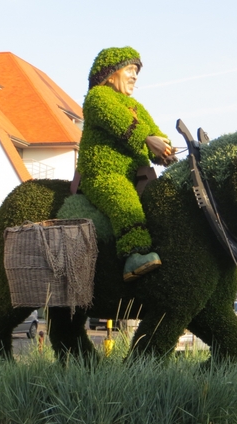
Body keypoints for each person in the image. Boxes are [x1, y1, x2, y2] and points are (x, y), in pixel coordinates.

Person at [77, 47, 176, 282]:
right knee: (124, 200)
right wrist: (146, 138)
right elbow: (118, 121)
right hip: (104, 174)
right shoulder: (98, 97)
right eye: (130, 70)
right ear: (111, 73)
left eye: (136, 72)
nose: (135, 76)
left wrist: (166, 150)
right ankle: (134, 255)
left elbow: (155, 133)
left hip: (139, 176)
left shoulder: (137, 108)